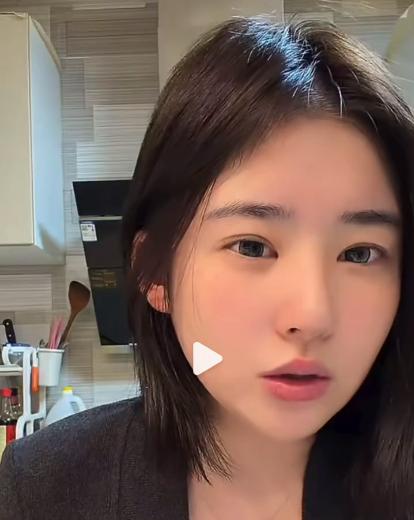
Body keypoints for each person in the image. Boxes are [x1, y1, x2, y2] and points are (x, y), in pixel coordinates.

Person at [1, 15, 414, 520]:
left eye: (359, 254)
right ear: (155, 274)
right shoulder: (45, 487)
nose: (312, 316)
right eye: (252, 246)